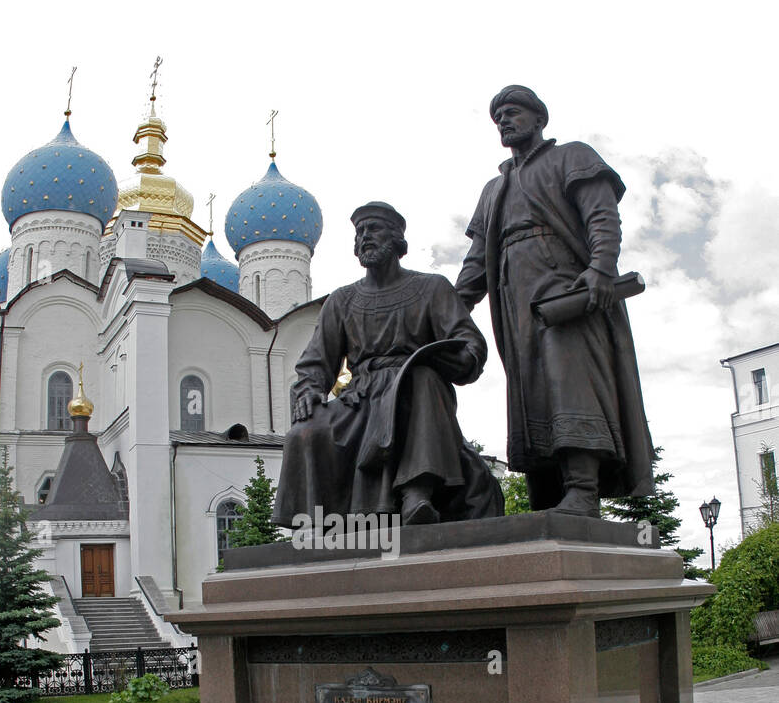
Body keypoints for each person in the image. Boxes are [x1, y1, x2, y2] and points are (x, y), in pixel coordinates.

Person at [455, 85, 655, 516]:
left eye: (512, 113)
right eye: (498, 118)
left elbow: (601, 214)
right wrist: (451, 307)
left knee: (572, 382)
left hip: (567, 291)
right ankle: (547, 495)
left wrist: (601, 267)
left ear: (539, 118)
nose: (504, 122)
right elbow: (476, 263)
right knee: (530, 393)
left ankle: (583, 490)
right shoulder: (494, 189)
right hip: (515, 305)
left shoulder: (572, 157)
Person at [273, 201, 502, 528]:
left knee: (421, 377)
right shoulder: (342, 300)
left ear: (396, 239)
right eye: (359, 232)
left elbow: (469, 342)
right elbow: (315, 361)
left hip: (415, 389)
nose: (365, 237)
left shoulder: (431, 288)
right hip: (361, 398)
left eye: (374, 228)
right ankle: (317, 527)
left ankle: (417, 494)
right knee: (304, 432)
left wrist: (460, 356)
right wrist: (308, 390)